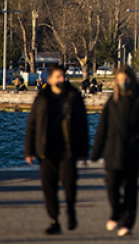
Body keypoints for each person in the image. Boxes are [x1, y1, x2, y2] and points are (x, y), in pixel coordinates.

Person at [91, 65, 139, 238]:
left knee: (131, 188)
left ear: (132, 80)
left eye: (126, 79)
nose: (123, 82)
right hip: (113, 150)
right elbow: (103, 127)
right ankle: (116, 211)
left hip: (133, 150)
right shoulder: (112, 101)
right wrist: (96, 151)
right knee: (111, 184)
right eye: (120, 80)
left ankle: (127, 223)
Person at [24, 63, 88, 235]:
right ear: (50, 79)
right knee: (49, 187)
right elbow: (32, 124)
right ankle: (54, 219)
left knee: (69, 183)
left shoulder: (74, 96)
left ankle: (71, 210)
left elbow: (82, 124)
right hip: (47, 149)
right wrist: (29, 150)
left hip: (68, 148)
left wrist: (84, 150)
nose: (62, 79)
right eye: (58, 77)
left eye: (63, 76)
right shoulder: (42, 98)